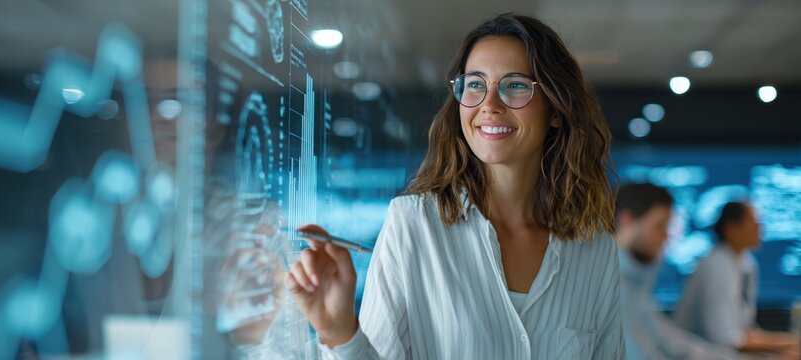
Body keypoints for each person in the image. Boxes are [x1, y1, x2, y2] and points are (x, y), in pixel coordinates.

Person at [286, 13, 625, 359]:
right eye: (475, 84)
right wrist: (338, 332)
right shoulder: (413, 225)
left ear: (556, 109)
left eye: (517, 85)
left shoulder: (594, 248)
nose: (489, 106)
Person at [615, 183, 741, 359]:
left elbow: (672, 341)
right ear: (627, 220)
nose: (666, 237)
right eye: (659, 226)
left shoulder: (634, 281)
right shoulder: (610, 285)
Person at [674, 201, 799, 359]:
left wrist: (788, 342)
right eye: (753, 222)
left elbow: (743, 332)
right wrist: (785, 344)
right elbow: (726, 339)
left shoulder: (746, 263)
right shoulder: (716, 266)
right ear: (731, 228)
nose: (759, 228)